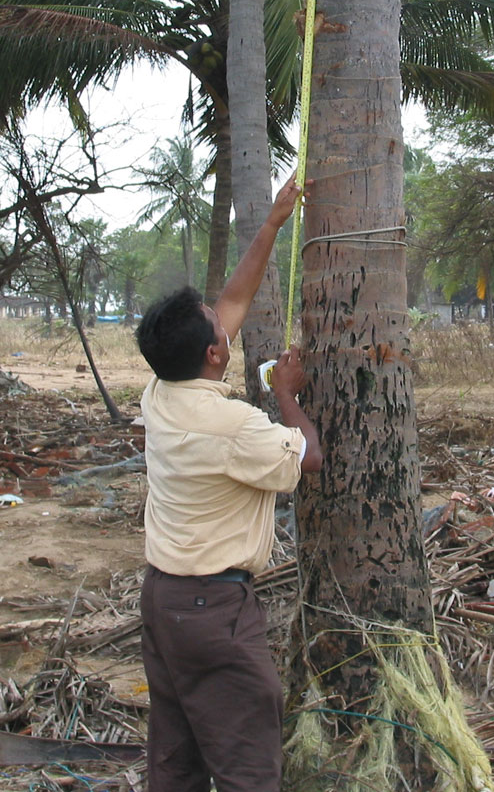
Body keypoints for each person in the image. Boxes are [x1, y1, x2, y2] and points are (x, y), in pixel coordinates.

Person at [134, 173, 322, 792]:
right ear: (215, 354)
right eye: (216, 324)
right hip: (210, 610)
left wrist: (273, 221)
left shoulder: (162, 390)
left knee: (177, 758)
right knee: (247, 762)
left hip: (163, 603)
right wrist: (285, 395)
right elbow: (309, 459)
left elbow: (235, 300)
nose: (225, 317)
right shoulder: (232, 425)